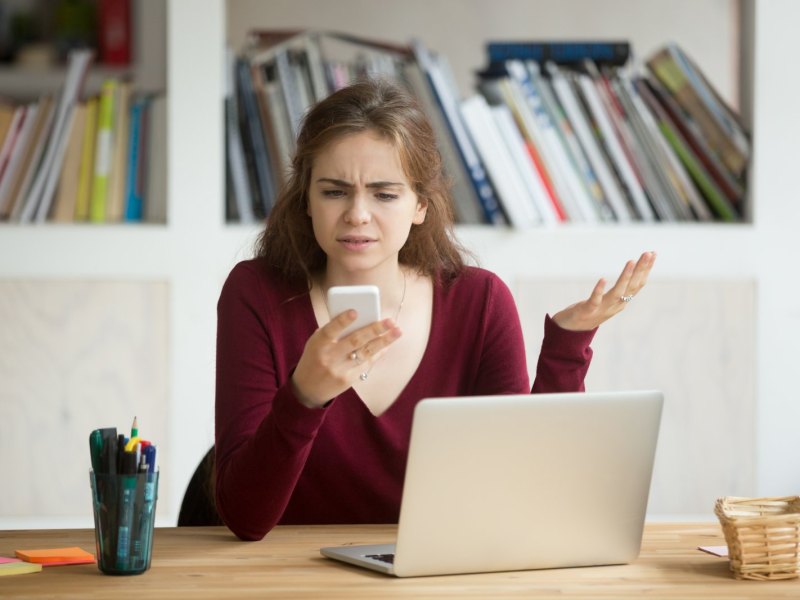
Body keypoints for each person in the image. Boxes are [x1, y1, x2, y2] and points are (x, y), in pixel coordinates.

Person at [214, 78, 655, 541]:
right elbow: (244, 516)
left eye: (384, 194)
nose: (358, 214)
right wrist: (304, 395)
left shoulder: (479, 302)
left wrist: (566, 348)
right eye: (334, 191)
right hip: (287, 580)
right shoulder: (256, 293)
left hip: (441, 576)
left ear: (420, 204)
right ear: (306, 198)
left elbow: (525, 493)